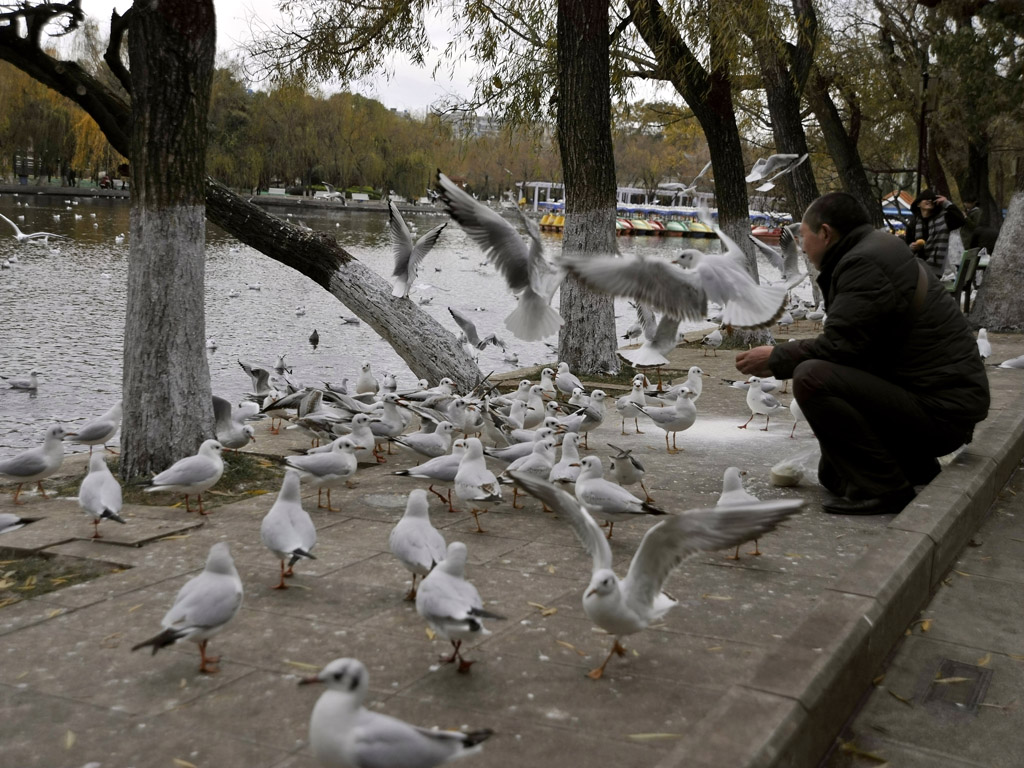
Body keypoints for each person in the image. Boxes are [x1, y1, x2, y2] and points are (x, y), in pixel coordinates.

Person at [736, 192, 989, 515]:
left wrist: (774, 358)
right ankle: (914, 467)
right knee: (833, 473)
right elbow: (856, 345)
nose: (800, 247)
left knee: (811, 377)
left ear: (825, 233)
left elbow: (840, 346)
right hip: (944, 403)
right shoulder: (878, 249)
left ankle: (888, 490)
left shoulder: (864, 263)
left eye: (804, 238)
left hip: (942, 413)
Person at [904, 189, 965, 278]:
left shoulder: (945, 218)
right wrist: (911, 247)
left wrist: (946, 203)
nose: (929, 200)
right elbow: (907, 245)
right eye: (925, 199)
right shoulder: (914, 224)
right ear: (918, 204)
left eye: (932, 199)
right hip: (920, 267)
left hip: (942, 270)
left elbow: (960, 220)